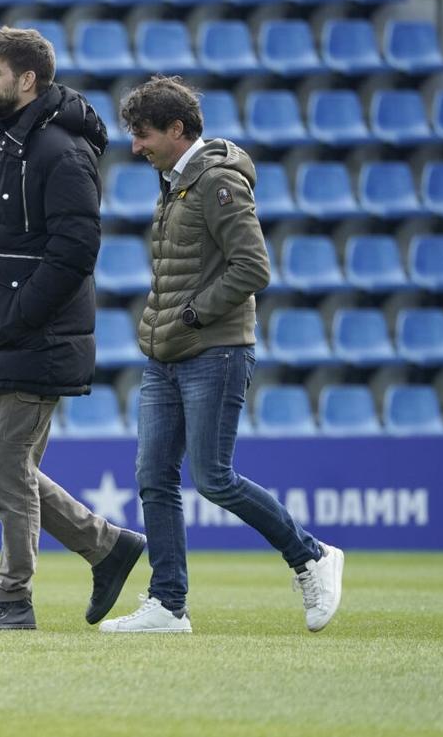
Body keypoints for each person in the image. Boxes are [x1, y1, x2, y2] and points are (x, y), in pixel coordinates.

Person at [99, 76, 344, 634]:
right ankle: (168, 605)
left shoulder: (217, 183)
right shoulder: (174, 181)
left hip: (215, 350)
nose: (135, 146)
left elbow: (253, 268)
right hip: (166, 355)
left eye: (144, 135)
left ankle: (311, 556)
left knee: (213, 477)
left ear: (177, 129)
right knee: (153, 476)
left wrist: (192, 314)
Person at [0, 27, 146, 631]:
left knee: (8, 464)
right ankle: (106, 545)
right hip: (3, 334)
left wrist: (20, 317)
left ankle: (14, 599)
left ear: (27, 79)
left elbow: (76, 248)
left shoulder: (59, 150)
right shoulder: (17, 144)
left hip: (33, 336)